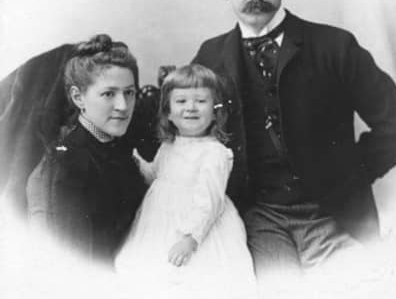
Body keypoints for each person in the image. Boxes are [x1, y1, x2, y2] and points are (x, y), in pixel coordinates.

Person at [192, 0, 396, 285]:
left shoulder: (334, 46)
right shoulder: (210, 57)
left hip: (335, 215)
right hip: (258, 220)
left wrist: (353, 171)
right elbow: (190, 137)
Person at [115, 64, 257, 299]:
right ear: (168, 112)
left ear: (215, 111)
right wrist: (136, 161)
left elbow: (209, 201)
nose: (191, 107)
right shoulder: (168, 145)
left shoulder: (215, 152)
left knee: (197, 279)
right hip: (160, 220)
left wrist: (191, 238)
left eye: (201, 101)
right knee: (153, 275)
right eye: (181, 101)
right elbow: (156, 177)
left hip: (198, 226)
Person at [26, 34, 148, 265]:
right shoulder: (67, 164)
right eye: (108, 94)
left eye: (129, 92)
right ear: (78, 97)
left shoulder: (114, 145)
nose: (123, 106)